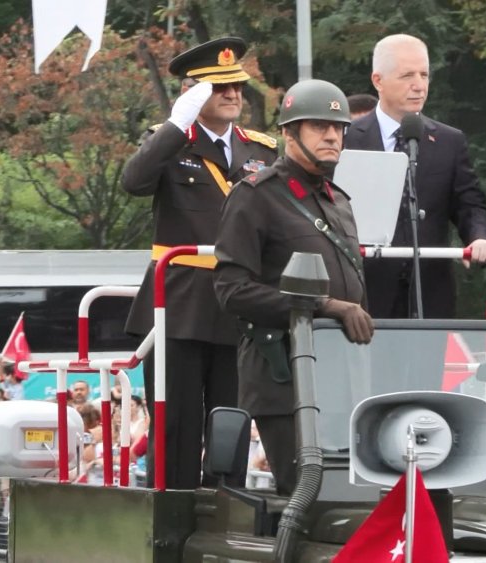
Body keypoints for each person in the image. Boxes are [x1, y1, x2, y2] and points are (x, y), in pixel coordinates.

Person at [121, 37, 278, 489]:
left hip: (237, 306)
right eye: (219, 87)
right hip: (180, 308)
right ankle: (172, 524)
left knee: (231, 423)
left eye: (237, 87)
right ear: (193, 94)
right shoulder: (168, 143)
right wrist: (176, 124)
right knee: (177, 427)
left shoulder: (261, 151)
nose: (232, 95)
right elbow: (134, 182)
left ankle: (225, 515)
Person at [214, 79, 374, 495]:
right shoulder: (256, 196)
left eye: (338, 128)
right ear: (288, 133)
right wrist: (324, 306)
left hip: (342, 371)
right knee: (306, 499)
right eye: (319, 126)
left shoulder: (339, 200)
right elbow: (231, 290)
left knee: (352, 497)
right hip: (284, 376)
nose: (332, 136)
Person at [344, 34, 486, 319]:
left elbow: (470, 204)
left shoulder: (450, 141)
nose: (419, 85)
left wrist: (479, 237)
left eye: (425, 74)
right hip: (363, 295)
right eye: (407, 75)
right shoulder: (347, 138)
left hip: (430, 293)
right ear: (378, 80)